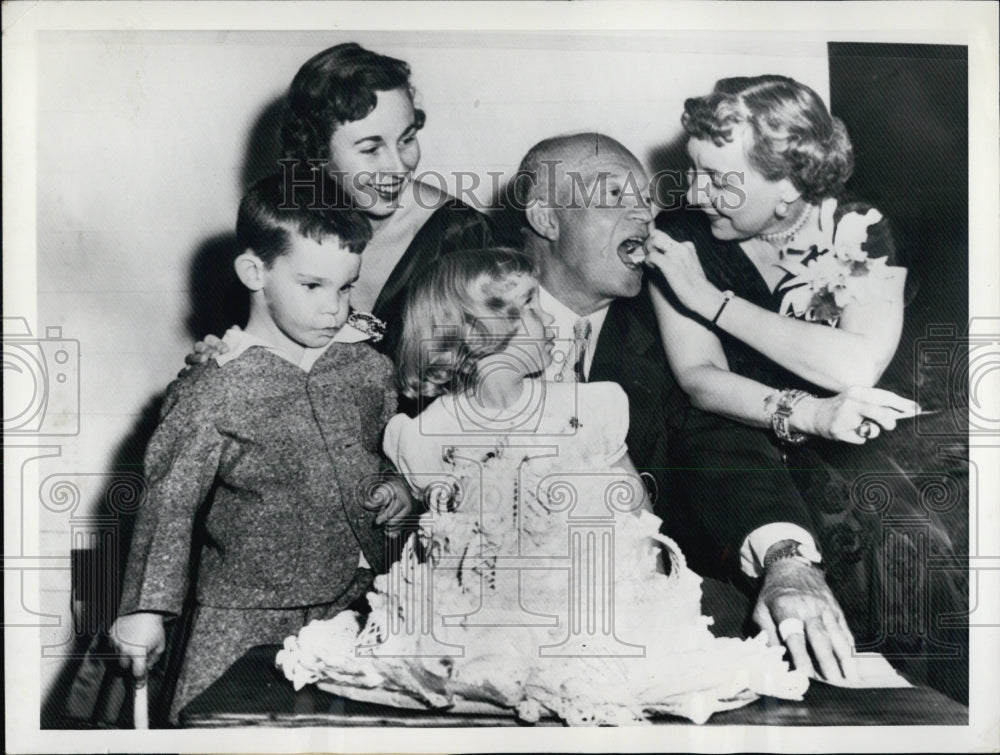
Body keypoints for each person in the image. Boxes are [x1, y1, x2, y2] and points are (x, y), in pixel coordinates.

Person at [516, 131, 864, 682]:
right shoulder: (460, 310)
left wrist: (786, 560)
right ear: (546, 218)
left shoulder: (672, 340)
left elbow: (721, 444)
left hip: (640, 616)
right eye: (615, 197)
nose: (644, 215)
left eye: (645, 199)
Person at [645, 76, 955, 676]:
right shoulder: (681, 235)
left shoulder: (858, 227)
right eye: (693, 170)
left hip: (852, 449)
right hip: (736, 449)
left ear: (787, 184)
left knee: (917, 554)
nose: (697, 191)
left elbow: (857, 364)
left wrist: (712, 303)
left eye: (719, 179)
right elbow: (699, 378)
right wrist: (808, 413)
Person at [108, 173, 409, 723]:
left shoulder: (368, 368)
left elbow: (389, 453)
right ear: (254, 273)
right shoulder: (213, 387)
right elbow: (169, 504)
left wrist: (398, 489)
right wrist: (146, 609)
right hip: (244, 620)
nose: (335, 308)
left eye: (346, 287)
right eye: (312, 286)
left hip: (359, 608)